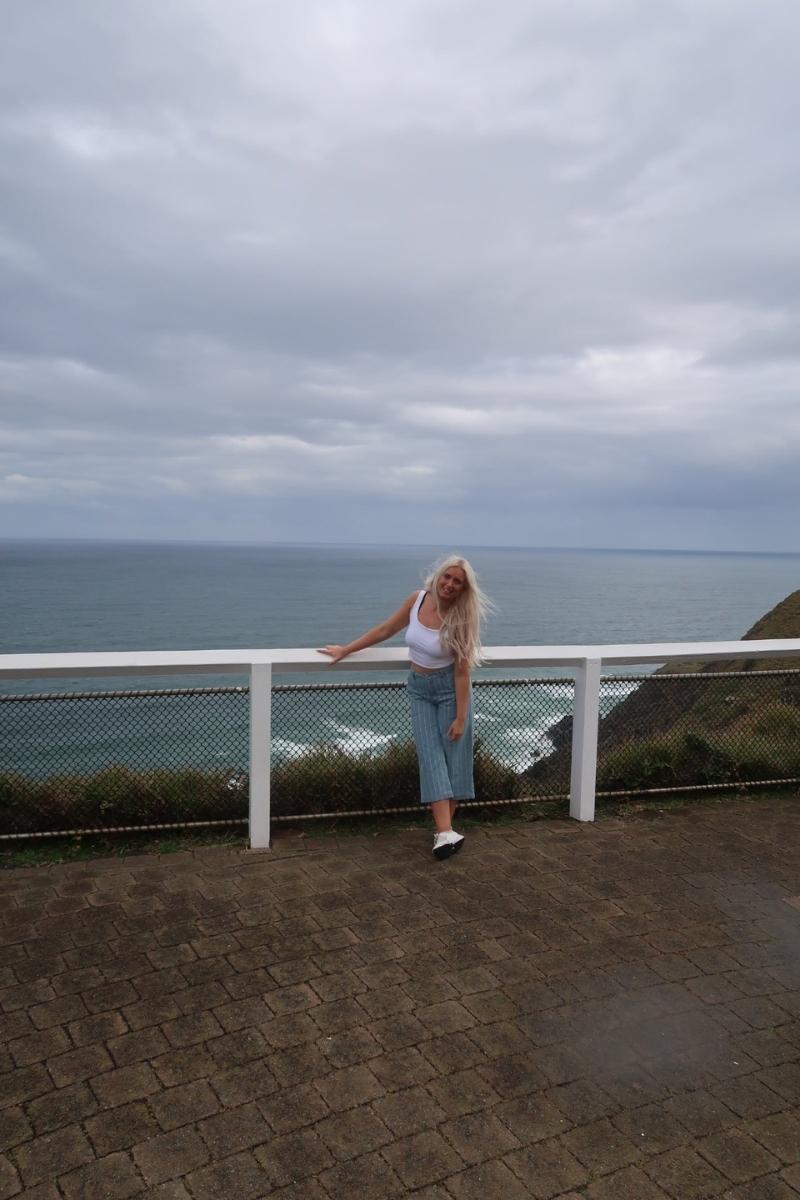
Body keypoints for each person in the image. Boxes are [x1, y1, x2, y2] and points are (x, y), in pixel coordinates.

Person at [319, 555, 490, 860]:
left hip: (450, 692)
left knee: (455, 761)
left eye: (457, 581)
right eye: (446, 577)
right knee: (430, 757)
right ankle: (446, 832)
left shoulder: (461, 618)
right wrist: (346, 649)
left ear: (464, 589)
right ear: (437, 577)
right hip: (419, 690)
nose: (449, 584)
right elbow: (386, 630)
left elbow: (463, 672)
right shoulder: (417, 600)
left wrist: (462, 717)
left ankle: (444, 833)